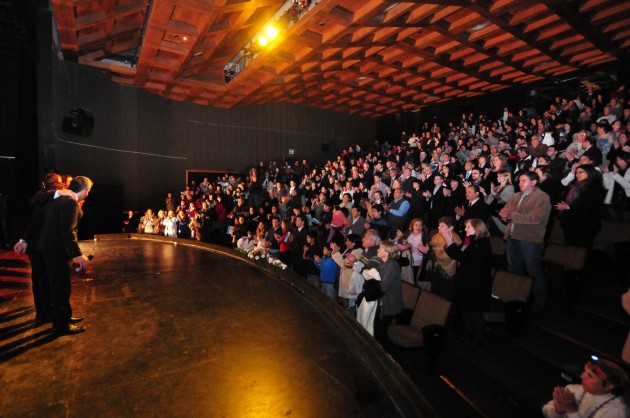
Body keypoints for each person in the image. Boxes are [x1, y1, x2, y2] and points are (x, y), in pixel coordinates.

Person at [37, 176, 93, 335]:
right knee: (61, 288)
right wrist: (77, 254)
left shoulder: (61, 199)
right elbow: (68, 231)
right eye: (88, 191)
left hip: (51, 249)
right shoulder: (70, 203)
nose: (87, 193)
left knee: (60, 287)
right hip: (57, 251)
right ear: (84, 191)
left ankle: (64, 317)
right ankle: (61, 326)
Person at [13, 173, 66, 324]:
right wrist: (24, 239)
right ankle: (45, 312)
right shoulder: (46, 197)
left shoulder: (43, 197)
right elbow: (36, 223)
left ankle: (44, 311)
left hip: (36, 245)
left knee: (40, 279)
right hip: (40, 245)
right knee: (43, 279)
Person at [499, 171, 551, 312]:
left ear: (533, 182)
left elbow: (536, 218)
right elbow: (506, 212)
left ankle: (539, 302)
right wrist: (504, 215)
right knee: (513, 269)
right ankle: (516, 299)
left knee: (533, 270)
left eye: (523, 180)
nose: (519, 183)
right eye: (520, 181)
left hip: (530, 239)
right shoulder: (516, 196)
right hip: (513, 236)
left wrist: (511, 215)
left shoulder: (542, 197)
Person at [440, 218, 492, 348]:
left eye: (468, 227)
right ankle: (467, 334)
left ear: (478, 228)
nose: (465, 229)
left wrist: (449, 240)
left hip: (476, 283)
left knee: (474, 311)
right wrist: (449, 244)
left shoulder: (481, 243)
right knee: (464, 309)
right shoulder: (469, 240)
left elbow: (462, 256)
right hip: (465, 280)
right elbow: (458, 253)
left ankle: (478, 337)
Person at [542, 357, 629, 418]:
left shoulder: (617, 412)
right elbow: (546, 411)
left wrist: (571, 411)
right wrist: (557, 411)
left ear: (608, 386)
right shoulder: (575, 389)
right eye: (584, 371)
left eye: (590, 376)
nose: (581, 376)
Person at [555, 164, 605, 248]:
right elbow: (564, 199)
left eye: (580, 172)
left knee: (582, 250)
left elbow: (590, 206)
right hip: (569, 221)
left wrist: (567, 207)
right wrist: (562, 206)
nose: (577, 175)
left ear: (589, 173)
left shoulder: (595, 187)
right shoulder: (574, 185)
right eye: (576, 173)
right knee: (570, 248)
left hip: (586, 224)